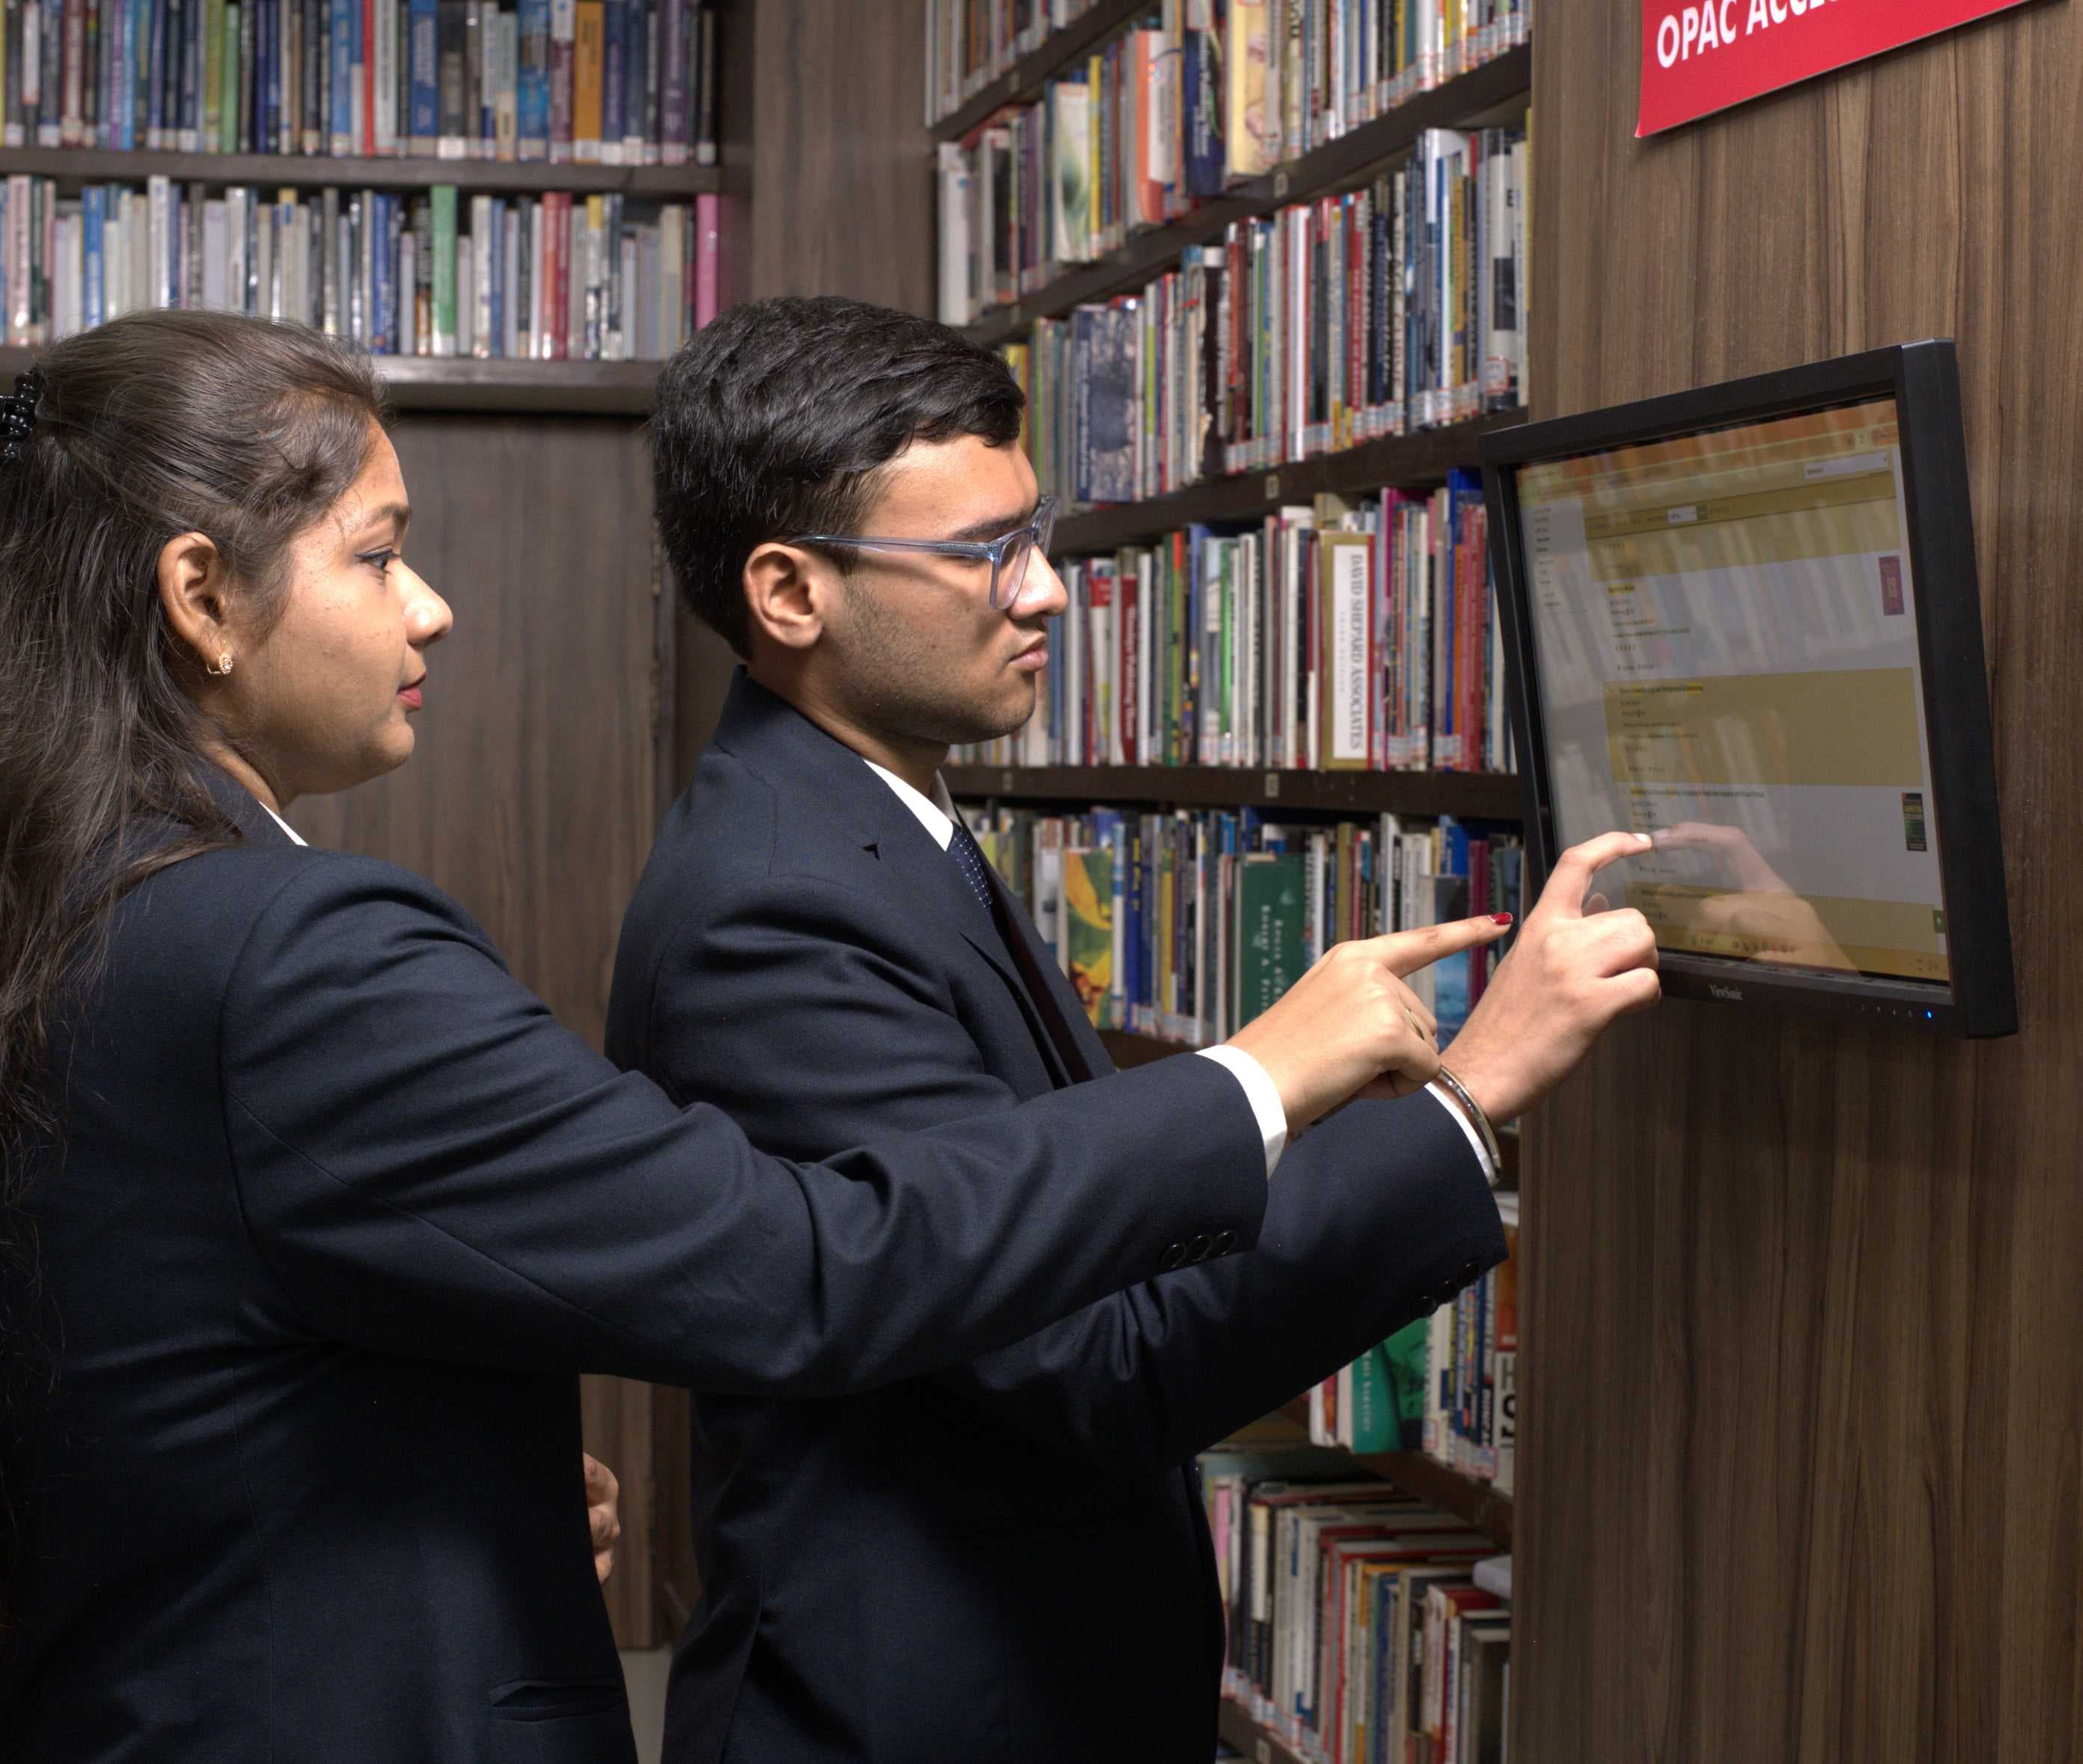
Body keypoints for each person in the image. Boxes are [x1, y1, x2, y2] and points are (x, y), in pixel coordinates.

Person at [0, 310, 1518, 1764]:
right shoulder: (289, 950)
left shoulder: (75, 903)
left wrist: (478, 1473)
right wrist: (1260, 1072)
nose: (431, 607)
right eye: (379, 556)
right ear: (201, 595)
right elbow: (803, 1257)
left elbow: (172, 1375)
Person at [612, 295, 1663, 1764]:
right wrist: (1468, 1096)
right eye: (985, 555)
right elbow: (1097, 1359)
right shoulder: (774, 914)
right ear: (790, 594)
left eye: (1036, 534)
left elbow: (1061, 1214)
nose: (1044, 593)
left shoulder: (866, 822)